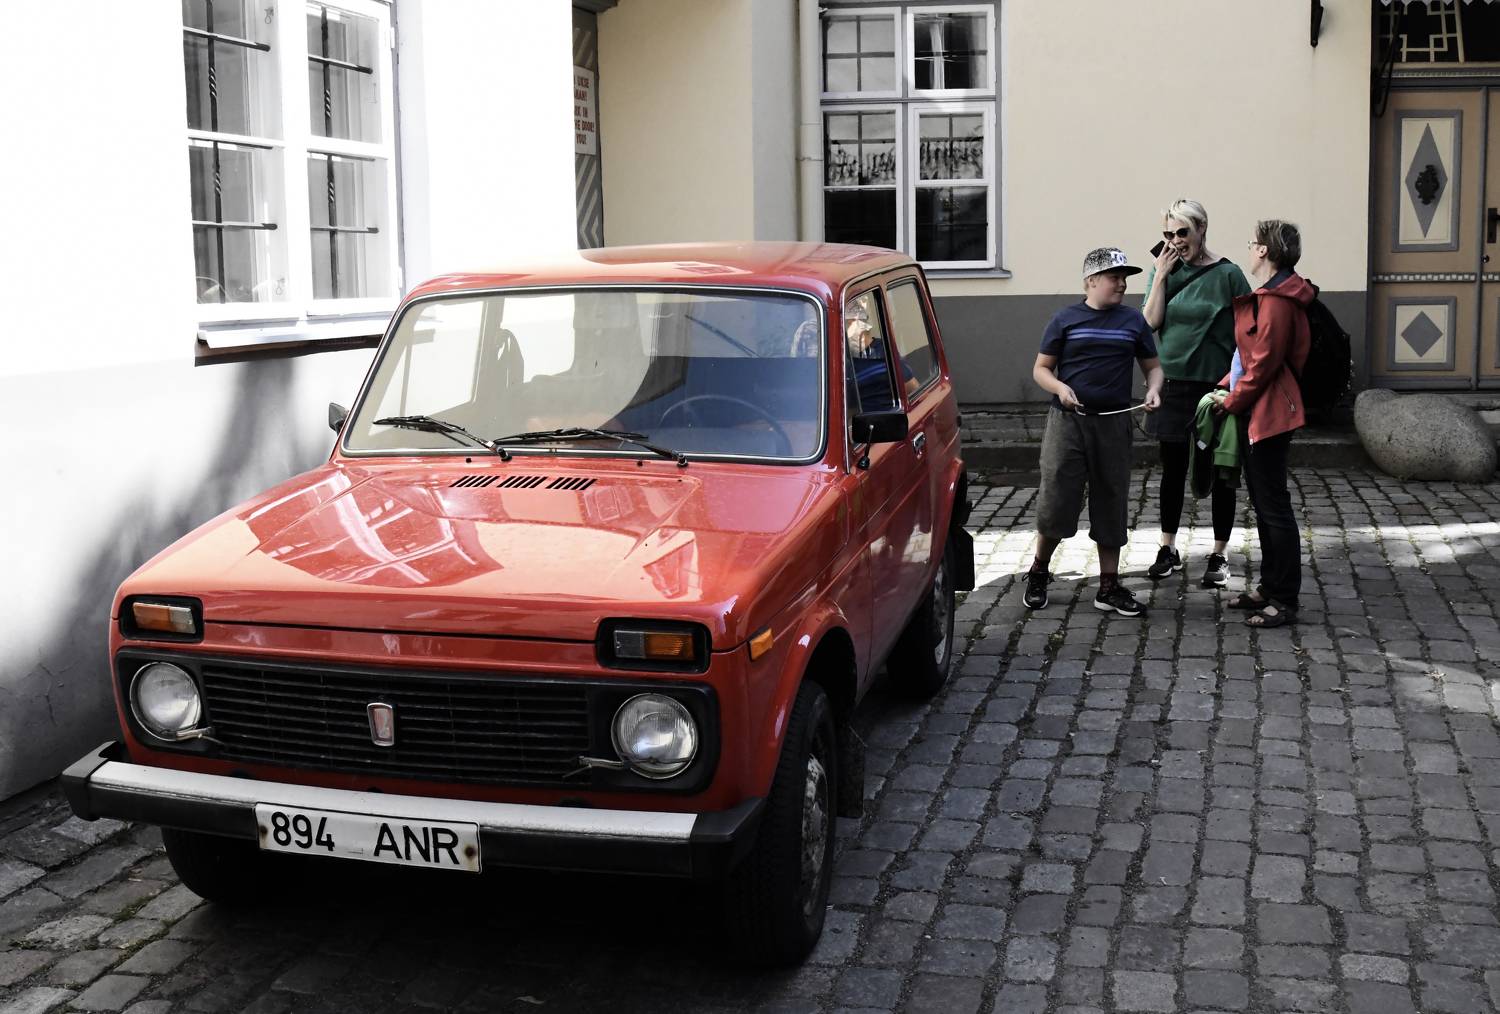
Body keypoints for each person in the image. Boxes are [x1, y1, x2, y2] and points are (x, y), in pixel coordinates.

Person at [1025, 247, 1163, 617]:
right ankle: (1039, 570)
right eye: (1115, 277)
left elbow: (1153, 367)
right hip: (1068, 423)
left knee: (1112, 499)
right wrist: (1060, 389)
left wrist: (1153, 389)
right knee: (1057, 497)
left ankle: (1108, 586)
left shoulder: (1133, 322)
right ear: (1091, 281)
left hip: (1114, 424)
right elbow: (1041, 369)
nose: (1122, 284)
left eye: (1125, 278)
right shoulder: (1065, 319)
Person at [1140, 199, 1252, 588]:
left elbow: (1250, 331)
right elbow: (1149, 323)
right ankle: (1167, 548)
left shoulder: (1229, 274)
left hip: (1215, 388)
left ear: (1202, 228)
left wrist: (1237, 383)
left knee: (1221, 470)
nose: (1175, 241)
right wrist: (1160, 276)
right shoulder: (1164, 271)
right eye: (1168, 234)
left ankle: (1219, 553)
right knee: (1172, 469)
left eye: (1182, 232)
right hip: (1173, 384)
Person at [1212, 219, 1313, 628]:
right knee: (1265, 503)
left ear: (1264, 251)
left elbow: (1264, 364)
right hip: (1260, 408)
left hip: (1269, 413)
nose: (1250, 249)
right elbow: (1248, 359)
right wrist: (1225, 386)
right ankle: (1269, 587)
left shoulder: (1277, 301)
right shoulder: (1275, 295)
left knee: (1274, 508)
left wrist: (1232, 402)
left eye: (1253, 243)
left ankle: (1284, 599)